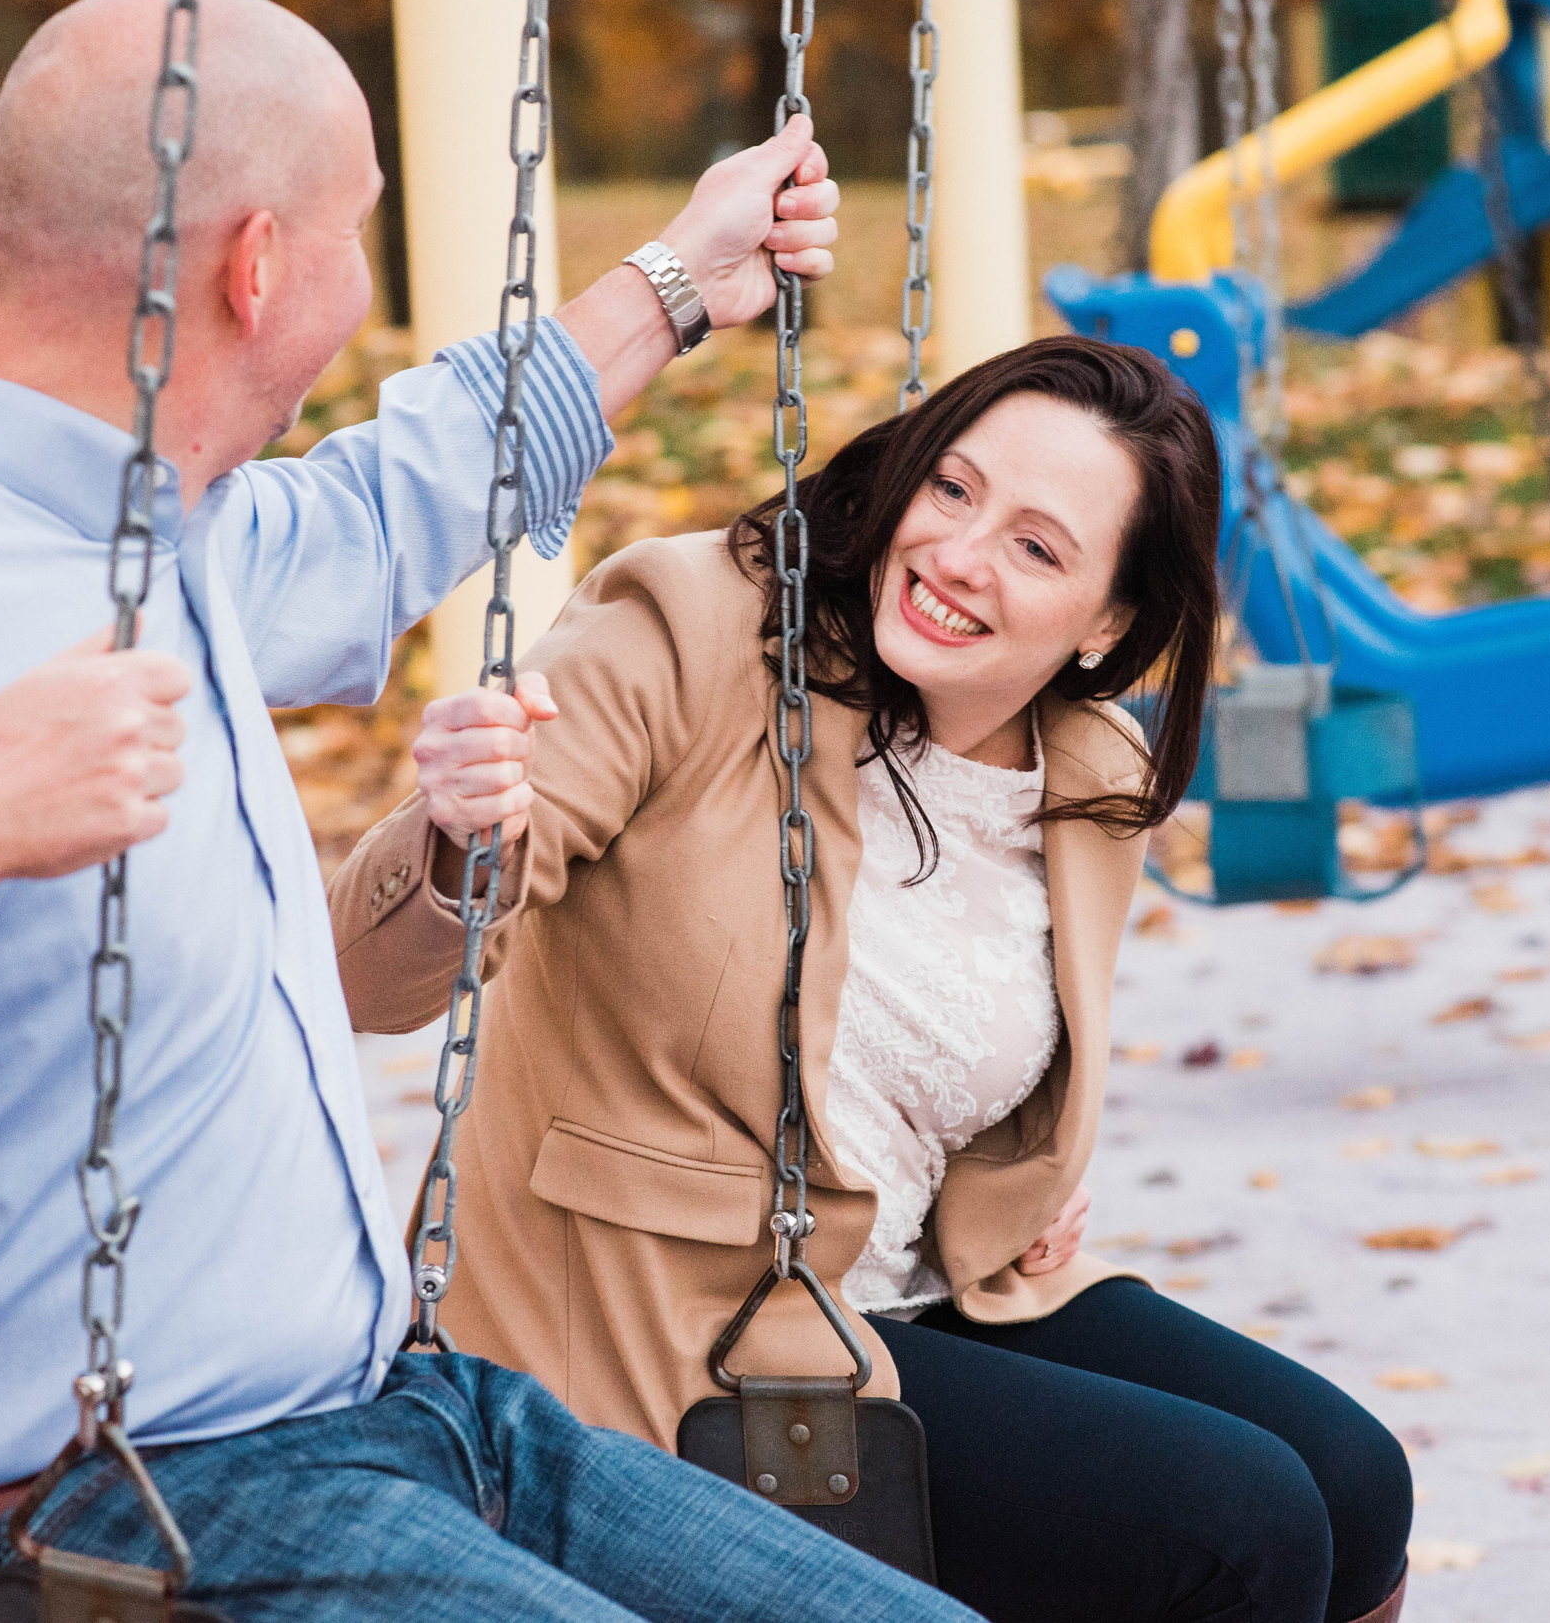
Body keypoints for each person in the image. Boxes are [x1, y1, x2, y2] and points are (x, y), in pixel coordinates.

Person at [0, 0, 986, 1623]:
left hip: (408, 1418)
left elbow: (388, 502)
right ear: (254, 264)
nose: (362, 292)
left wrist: (677, 283)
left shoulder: (163, 527)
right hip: (92, 1521)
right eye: (357, 237)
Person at [332, 335, 1416, 1623]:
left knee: (1358, 1481)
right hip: (679, 1314)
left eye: (1037, 546)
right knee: (1238, 1525)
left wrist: (1020, 1183)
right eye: (951, 490)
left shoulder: (1088, 778)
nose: (958, 555)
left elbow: (965, 1057)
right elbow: (369, 972)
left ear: (1108, 622)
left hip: (918, 1283)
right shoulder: (689, 629)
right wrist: (464, 831)